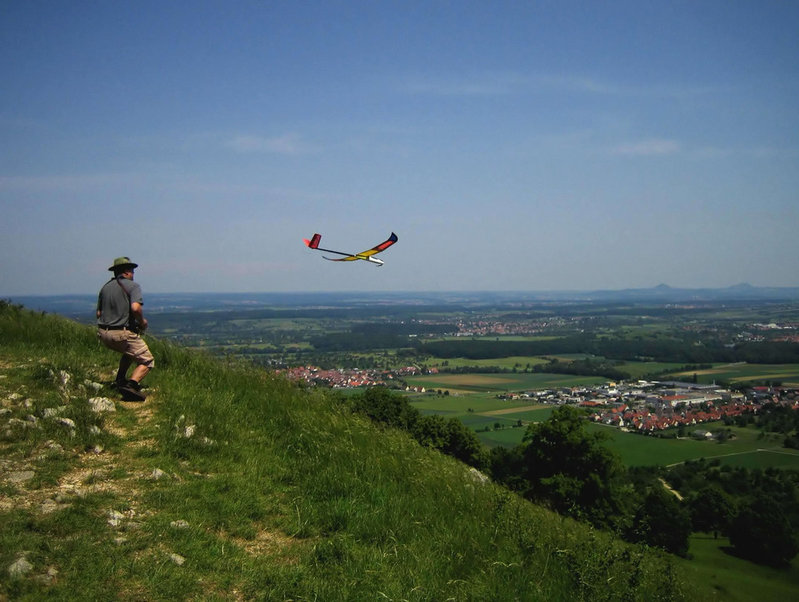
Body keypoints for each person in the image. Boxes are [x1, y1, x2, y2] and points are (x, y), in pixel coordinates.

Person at [96, 257, 154, 402]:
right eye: (132, 270)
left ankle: (120, 379)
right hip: (121, 333)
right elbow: (135, 308)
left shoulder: (105, 288)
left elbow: (98, 313)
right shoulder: (132, 286)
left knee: (129, 352)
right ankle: (131, 385)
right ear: (127, 272)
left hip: (103, 333)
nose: (133, 273)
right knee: (147, 360)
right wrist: (142, 322)